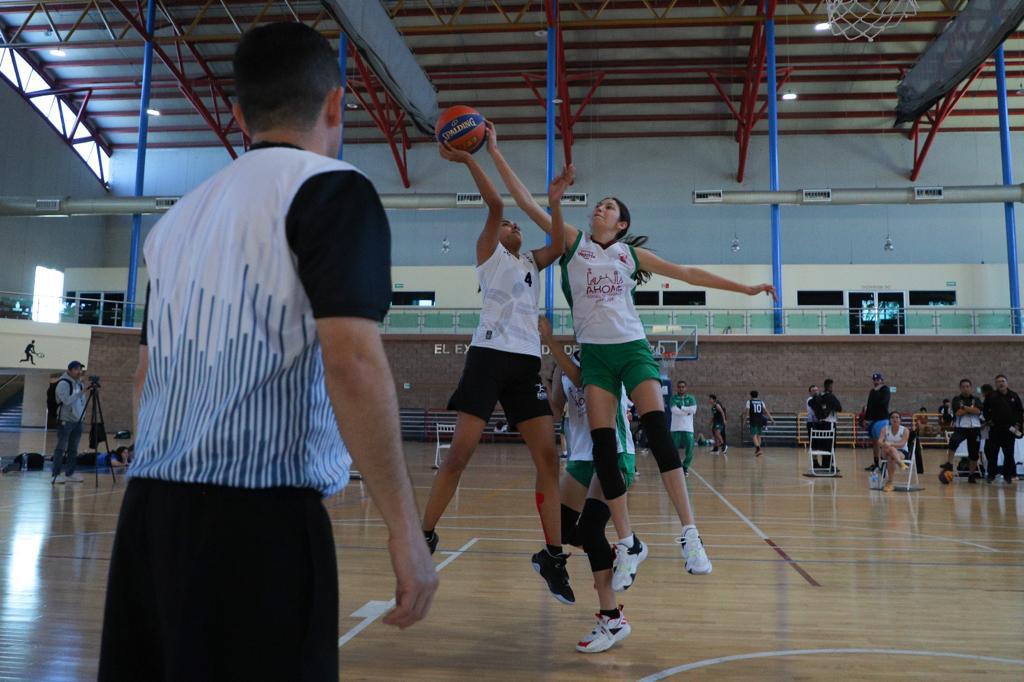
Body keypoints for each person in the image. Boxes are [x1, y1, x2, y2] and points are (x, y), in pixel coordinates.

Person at [98, 24, 437, 681]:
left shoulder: (175, 222)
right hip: (258, 529)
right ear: (335, 105)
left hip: (149, 520)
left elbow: (145, 378)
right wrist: (404, 527)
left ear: (237, 114)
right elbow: (353, 362)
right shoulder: (333, 189)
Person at [488, 120, 776, 575]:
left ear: (621, 224)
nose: (599, 209)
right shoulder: (573, 244)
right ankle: (627, 543)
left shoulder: (629, 256)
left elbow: (689, 274)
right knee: (605, 451)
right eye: (598, 205)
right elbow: (525, 201)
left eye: (608, 207)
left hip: (633, 348)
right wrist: (494, 149)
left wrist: (747, 289)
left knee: (659, 436)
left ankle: (691, 536)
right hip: (597, 356)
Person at [420, 138, 575, 603]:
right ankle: (424, 533)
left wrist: (555, 203)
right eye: (509, 224)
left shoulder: (531, 262)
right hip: (488, 357)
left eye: (516, 225)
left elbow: (563, 243)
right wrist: (471, 155)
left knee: (549, 459)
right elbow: (495, 202)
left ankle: (552, 554)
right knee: (459, 455)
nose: (513, 225)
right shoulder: (489, 254)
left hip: (526, 361)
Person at [541, 320, 643, 652]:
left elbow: (585, 380)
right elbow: (557, 407)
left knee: (591, 531)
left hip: (613, 453)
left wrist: (550, 342)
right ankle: (619, 553)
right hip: (582, 458)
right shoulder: (563, 363)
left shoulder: (609, 356)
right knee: (562, 532)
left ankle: (612, 619)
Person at [51, 360, 90, 484]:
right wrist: (80, 393)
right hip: (66, 420)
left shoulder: (79, 384)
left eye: (80, 369)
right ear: (70, 370)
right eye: (77, 369)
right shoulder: (63, 383)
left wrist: (82, 415)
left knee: (73, 449)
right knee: (60, 448)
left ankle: (70, 473)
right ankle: (56, 475)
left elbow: (82, 402)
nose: (79, 372)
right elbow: (66, 401)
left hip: (78, 421)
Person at [982, 374, 1023, 484]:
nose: (1001, 383)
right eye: (998, 381)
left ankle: (1007, 475)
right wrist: (989, 420)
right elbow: (985, 409)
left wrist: (1018, 425)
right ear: (996, 384)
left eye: (1003, 381)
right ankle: (991, 474)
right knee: (992, 453)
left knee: (1009, 453)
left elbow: (1019, 411)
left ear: (1007, 383)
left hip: (1009, 430)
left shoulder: (1014, 395)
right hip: (995, 429)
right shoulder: (991, 396)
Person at [940, 379, 983, 484]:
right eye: (963, 386)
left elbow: (978, 411)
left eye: (967, 386)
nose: (965, 388)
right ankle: (949, 463)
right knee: (953, 441)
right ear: (960, 388)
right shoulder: (956, 399)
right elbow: (958, 413)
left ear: (971, 387)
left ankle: (971, 475)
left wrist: (964, 408)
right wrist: (971, 409)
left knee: (974, 453)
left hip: (975, 428)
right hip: (961, 427)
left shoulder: (976, 399)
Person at [864, 372, 891, 472]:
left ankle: (884, 463)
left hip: (882, 419)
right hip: (873, 420)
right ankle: (876, 464)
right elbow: (869, 404)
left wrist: (876, 392)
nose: (876, 381)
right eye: (874, 380)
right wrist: (866, 419)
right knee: (874, 442)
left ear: (881, 380)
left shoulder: (885, 390)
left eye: (878, 380)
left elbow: (882, 402)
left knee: (882, 442)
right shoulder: (872, 391)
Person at [670, 380, 697, 475]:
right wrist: (687, 412)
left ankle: (685, 467)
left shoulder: (691, 398)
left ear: (686, 388)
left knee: (690, 450)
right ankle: (675, 467)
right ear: (677, 388)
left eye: (683, 387)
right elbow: (674, 410)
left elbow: (693, 410)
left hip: (688, 428)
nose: (681, 388)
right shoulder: (673, 398)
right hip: (675, 428)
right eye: (679, 387)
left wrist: (681, 407)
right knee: (673, 450)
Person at [878, 411, 910, 492]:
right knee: (890, 450)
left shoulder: (905, 430)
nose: (895, 419)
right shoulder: (885, 429)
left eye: (897, 417)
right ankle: (900, 463)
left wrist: (890, 444)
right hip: (886, 450)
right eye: (892, 417)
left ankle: (890, 483)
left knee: (891, 455)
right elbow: (879, 442)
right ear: (889, 419)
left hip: (901, 452)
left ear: (900, 419)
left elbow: (902, 444)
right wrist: (884, 444)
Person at [744, 390, 774, 457]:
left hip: (753, 420)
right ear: (757, 395)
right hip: (760, 420)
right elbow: (766, 411)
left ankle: (758, 449)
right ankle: (758, 450)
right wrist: (771, 419)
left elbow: (747, 413)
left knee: (754, 435)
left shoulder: (749, 402)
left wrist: (745, 420)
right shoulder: (761, 402)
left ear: (751, 395)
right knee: (758, 435)